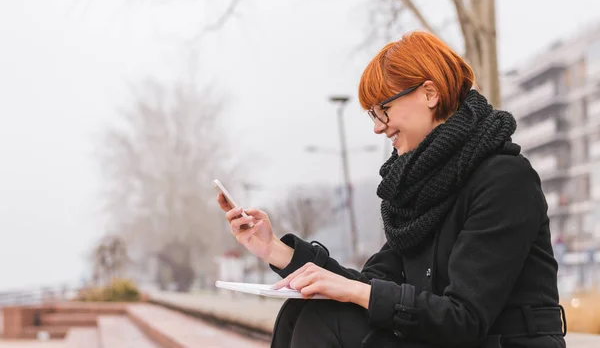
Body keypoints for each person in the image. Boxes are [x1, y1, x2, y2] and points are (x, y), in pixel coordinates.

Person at [217, 31, 566, 348]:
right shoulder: (420, 189)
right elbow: (371, 283)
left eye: (383, 110)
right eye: (373, 115)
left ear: (430, 93)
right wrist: (274, 250)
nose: (379, 128)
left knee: (325, 317)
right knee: (305, 309)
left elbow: (464, 319)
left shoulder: (504, 179)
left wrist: (357, 291)